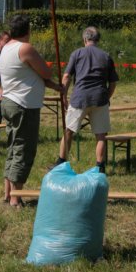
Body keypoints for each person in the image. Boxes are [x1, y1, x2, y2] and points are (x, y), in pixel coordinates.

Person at [0, 15, 62, 208]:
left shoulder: (6, 48)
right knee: (23, 150)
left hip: (10, 102)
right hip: (23, 105)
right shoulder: (24, 48)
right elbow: (46, 72)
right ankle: (16, 199)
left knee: (13, 147)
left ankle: (8, 193)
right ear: (27, 31)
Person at [50, 26, 119, 174]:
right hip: (99, 98)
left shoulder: (77, 54)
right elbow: (112, 83)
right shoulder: (106, 56)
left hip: (79, 98)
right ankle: (100, 166)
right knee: (101, 134)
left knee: (69, 131)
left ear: (85, 39)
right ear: (97, 40)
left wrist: (64, 96)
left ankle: (61, 163)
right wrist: (106, 97)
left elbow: (67, 77)